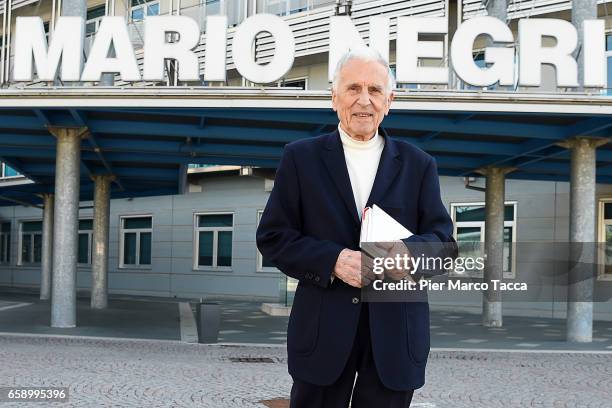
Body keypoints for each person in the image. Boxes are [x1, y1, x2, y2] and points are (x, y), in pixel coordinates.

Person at [256, 47, 456, 408]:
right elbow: (273, 237)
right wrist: (332, 260)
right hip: (323, 328)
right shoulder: (301, 158)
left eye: (375, 90)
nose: (364, 100)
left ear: (389, 100)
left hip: (396, 331)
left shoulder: (419, 164)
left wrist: (410, 254)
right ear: (334, 98)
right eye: (353, 89)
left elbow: (444, 244)